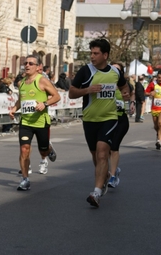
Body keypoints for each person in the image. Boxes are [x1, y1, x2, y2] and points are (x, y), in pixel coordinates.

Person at [68, 38, 131, 208]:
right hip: (89, 119)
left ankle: (95, 192)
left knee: (103, 153)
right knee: (96, 155)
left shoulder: (114, 72)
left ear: (105, 55)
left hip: (109, 119)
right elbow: (71, 93)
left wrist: (126, 96)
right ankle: (101, 180)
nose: (92, 57)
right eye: (91, 53)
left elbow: (125, 87)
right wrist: (87, 90)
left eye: (96, 53)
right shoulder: (85, 71)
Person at [9, 55, 60, 191]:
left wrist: (44, 104)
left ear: (38, 67)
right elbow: (21, 100)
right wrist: (14, 108)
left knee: (42, 150)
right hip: (25, 122)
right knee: (24, 149)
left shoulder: (42, 81)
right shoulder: (21, 83)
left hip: (41, 122)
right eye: (25, 63)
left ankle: (48, 149)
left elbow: (57, 96)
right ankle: (25, 179)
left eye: (31, 63)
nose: (27, 65)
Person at [108, 62, 133, 188]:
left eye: (117, 70)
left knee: (114, 147)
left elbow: (130, 95)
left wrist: (131, 102)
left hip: (121, 120)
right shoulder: (106, 84)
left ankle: (112, 177)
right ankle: (115, 169)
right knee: (105, 149)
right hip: (107, 120)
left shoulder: (124, 86)